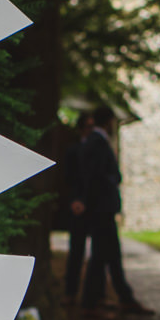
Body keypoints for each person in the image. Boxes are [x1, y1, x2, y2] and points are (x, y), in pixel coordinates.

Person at [70, 105, 154, 319]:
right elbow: (95, 175)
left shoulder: (94, 142)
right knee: (101, 256)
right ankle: (92, 302)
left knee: (111, 255)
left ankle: (123, 298)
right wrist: (112, 181)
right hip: (101, 209)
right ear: (108, 122)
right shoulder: (98, 143)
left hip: (101, 208)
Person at [58, 109, 94, 302]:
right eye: (88, 126)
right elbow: (69, 178)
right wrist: (75, 200)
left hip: (95, 206)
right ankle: (71, 292)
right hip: (78, 206)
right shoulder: (73, 150)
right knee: (76, 251)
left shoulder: (98, 149)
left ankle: (93, 296)